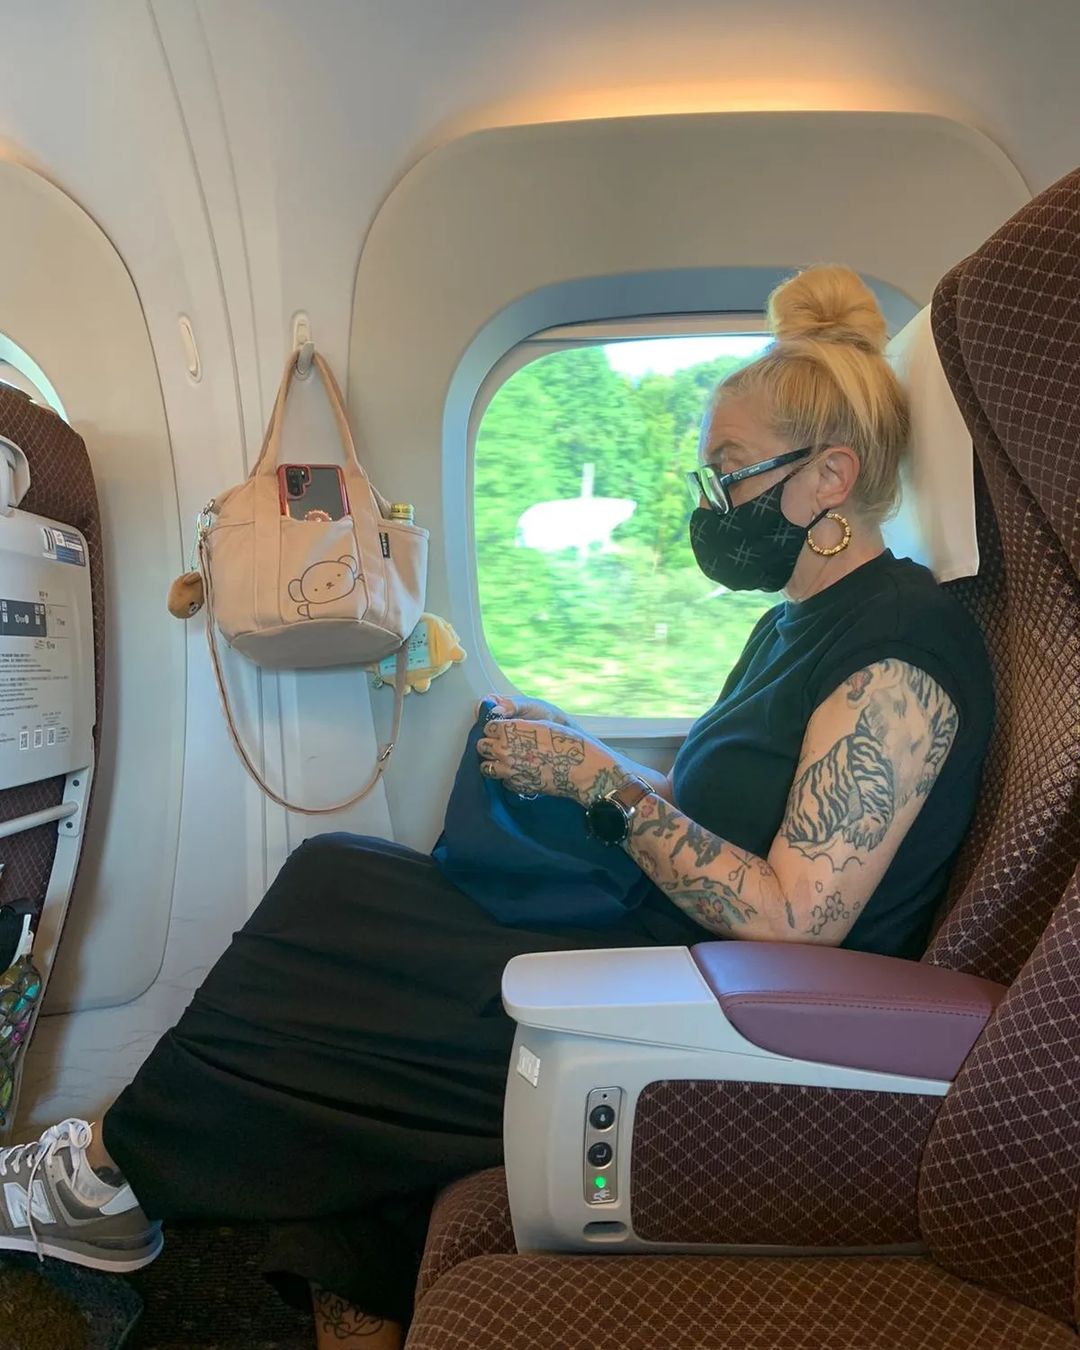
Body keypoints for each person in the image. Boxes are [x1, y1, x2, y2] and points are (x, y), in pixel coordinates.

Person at [0, 266, 993, 1350]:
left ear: (829, 477)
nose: (710, 503)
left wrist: (603, 788)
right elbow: (729, 811)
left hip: (737, 1014)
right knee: (340, 880)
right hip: (674, 945)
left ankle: (107, 1178)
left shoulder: (900, 646)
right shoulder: (793, 626)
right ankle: (172, 1199)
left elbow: (799, 918)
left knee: (336, 944)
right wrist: (579, 754)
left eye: (729, 474)